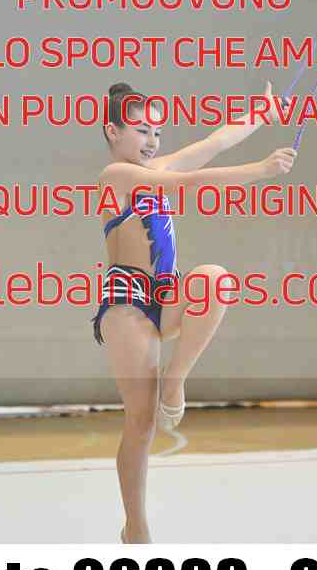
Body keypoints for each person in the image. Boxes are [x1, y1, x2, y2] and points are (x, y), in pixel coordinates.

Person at [91, 82, 297, 543]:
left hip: (167, 295)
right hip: (128, 304)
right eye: (141, 131)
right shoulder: (115, 176)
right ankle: (136, 527)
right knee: (141, 423)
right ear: (112, 131)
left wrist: (261, 112)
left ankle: (176, 377)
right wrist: (261, 170)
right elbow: (189, 183)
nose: (151, 141)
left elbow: (215, 141)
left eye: (157, 133)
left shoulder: (156, 167)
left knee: (215, 280)